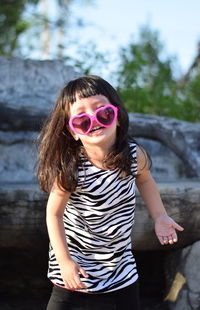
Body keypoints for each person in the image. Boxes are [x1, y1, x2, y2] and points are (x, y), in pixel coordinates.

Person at [37, 75, 184, 310]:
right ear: (73, 131)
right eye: (82, 120)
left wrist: (160, 216)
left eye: (102, 113)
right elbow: (53, 214)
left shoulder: (134, 156)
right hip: (75, 252)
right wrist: (64, 261)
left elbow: (146, 182)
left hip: (118, 257)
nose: (93, 121)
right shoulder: (71, 168)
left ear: (116, 116)